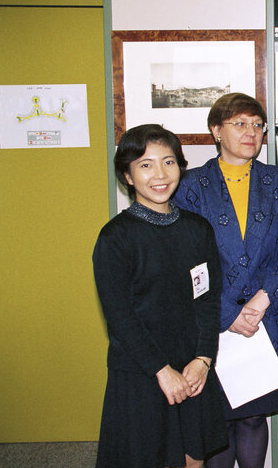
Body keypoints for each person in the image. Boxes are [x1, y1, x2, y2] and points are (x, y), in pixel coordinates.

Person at [173, 93, 278, 468]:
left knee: (254, 417)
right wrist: (228, 313)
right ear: (216, 130)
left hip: (265, 319)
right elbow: (182, 260)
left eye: (258, 125)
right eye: (240, 124)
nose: (251, 132)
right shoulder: (189, 186)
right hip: (210, 324)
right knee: (217, 420)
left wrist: (261, 301)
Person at [93, 124, 226, 468]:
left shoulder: (198, 230)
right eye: (145, 164)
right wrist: (161, 371)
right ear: (127, 174)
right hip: (142, 372)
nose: (160, 174)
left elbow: (208, 301)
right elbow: (120, 316)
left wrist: (203, 359)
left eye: (168, 162)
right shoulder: (115, 238)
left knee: (193, 459)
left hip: (192, 367)